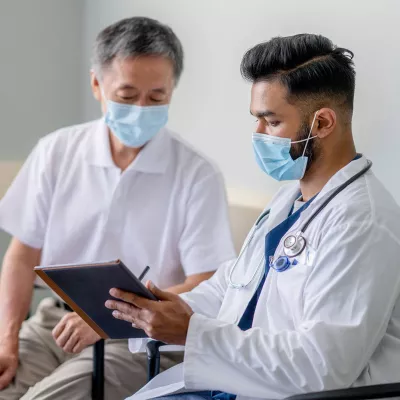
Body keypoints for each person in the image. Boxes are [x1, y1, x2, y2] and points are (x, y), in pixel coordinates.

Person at [106, 33, 400, 400]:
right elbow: (232, 287)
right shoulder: (288, 201)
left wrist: (191, 332)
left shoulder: (363, 223)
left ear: (323, 123)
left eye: (271, 121)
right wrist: (168, 311)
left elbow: (323, 368)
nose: (257, 134)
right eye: (256, 119)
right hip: (230, 383)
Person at [0, 17, 236, 400]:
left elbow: (208, 279)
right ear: (97, 84)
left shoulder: (196, 174)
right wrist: (6, 341)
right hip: (55, 322)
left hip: (139, 339)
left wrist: (108, 317)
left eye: (157, 97)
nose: (142, 108)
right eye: (127, 96)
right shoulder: (56, 152)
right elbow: (22, 255)